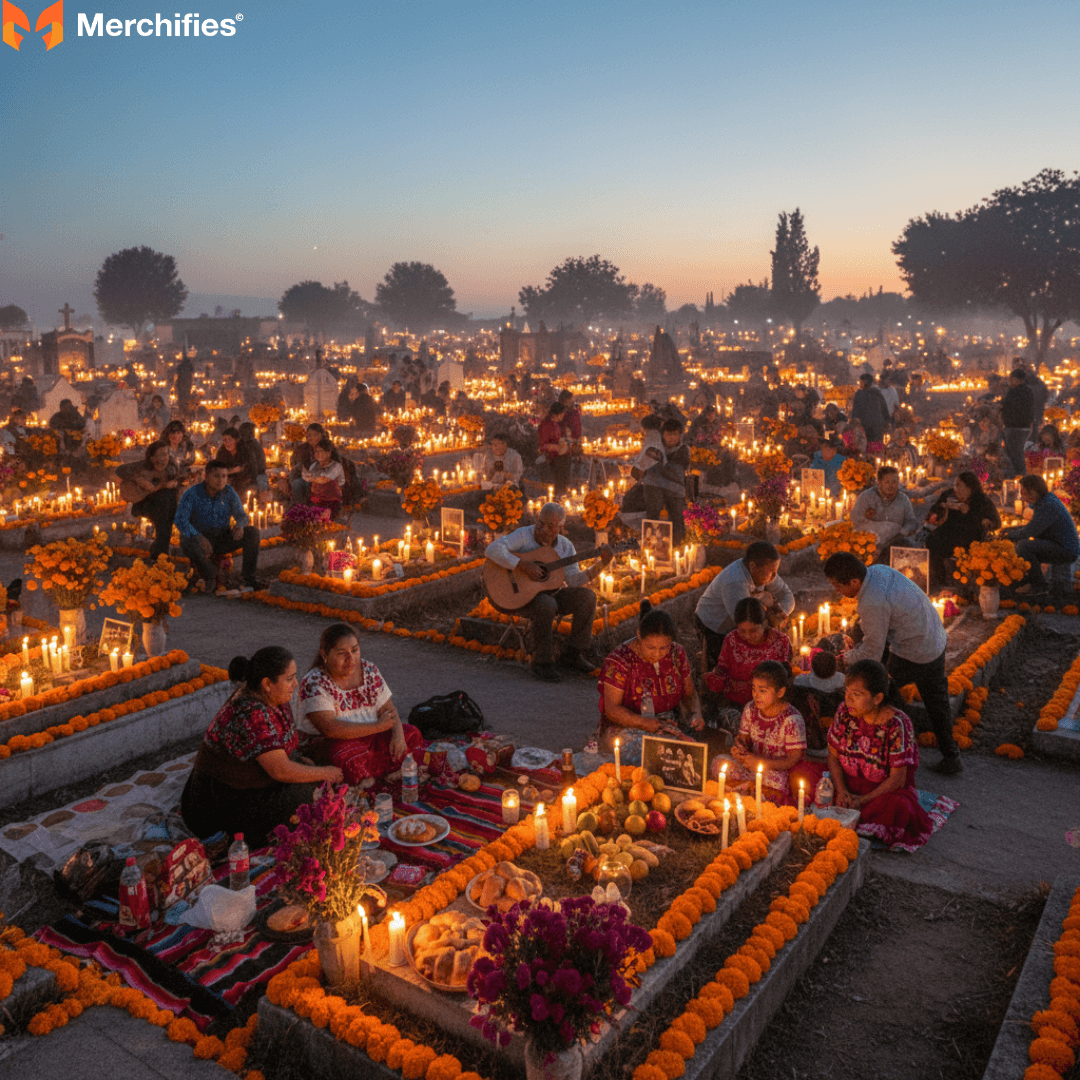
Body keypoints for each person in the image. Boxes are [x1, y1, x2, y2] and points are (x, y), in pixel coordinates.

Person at [179, 648, 342, 845]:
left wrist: (311, 767)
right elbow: (281, 771)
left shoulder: (273, 696)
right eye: (289, 678)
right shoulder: (252, 713)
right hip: (220, 802)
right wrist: (325, 773)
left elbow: (283, 749)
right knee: (309, 801)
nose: (295, 684)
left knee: (317, 775)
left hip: (255, 781)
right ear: (267, 683)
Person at [823, 551, 960, 775]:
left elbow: (873, 652)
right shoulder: (877, 570)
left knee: (882, 691)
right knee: (937, 699)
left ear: (855, 581)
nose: (837, 591)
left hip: (914, 648)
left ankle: (898, 745)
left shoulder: (872, 600)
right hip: (934, 637)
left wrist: (843, 661)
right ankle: (951, 755)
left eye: (839, 586)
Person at [485, 502, 613, 682]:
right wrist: (521, 564)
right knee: (547, 603)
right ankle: (542, 662)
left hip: (548, 594)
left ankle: (573, 654)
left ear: (561, 527)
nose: (543, 528)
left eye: (550, 525)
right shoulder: (524, 535)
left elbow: (574, 580)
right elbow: (492, 549)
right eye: (540, 523)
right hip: (516, 597)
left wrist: (601, 565)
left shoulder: (566, 547)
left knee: (587, 597)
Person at [297, 623, 424, 786]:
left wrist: (398, 736)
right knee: (347, 759)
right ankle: (381, 775)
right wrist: (378, 727)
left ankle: (375, 777)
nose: (351, 659)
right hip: (336, 744)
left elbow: (389, 709)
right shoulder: (314, 682)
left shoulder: (369, 670)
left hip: (372, 737)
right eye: (342, 653)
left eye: (355, 650)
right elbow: (331, 729)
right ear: (324, 655)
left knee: (412, 734)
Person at [826, 659, 934, 852]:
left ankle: (865, 823)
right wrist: (842, 791)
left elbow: (897, 780)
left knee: (899, 807)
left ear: (877, 698)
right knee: (809, 781)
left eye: (857, 694)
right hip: (847, 784)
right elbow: (833, 756)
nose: (848, 699)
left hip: (881, 792)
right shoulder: (845, 711)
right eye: (847, 692)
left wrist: (861, 800)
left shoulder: (897, 724)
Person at [596, 601, 704, 765]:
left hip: (666, 723)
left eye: (664, 648)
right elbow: (612, 709)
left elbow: (689, 693)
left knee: (692, 755)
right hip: (626, 727)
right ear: (639, 635)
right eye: (651, 647)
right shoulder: (619, 660)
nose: (657, 654)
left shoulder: (677, 653)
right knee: (652, 757)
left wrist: (696, 713)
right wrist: (644, 723)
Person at [709, 661, 806, 804]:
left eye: (763, 691)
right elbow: (743, 739)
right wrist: (739, 750)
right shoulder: (750, 709)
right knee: (718, 763)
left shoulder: (792, 720)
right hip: (750, 766)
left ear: (780, 692)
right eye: (754, 689)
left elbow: (793, 759)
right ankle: (750, 792)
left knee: (776, 783)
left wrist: (762, 763)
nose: (756, 695)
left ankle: (746, 792)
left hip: (774, 771)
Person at [695, 541, 794, 668]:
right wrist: (771, 621)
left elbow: (786, 595)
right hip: (714, 624)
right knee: (726, 666)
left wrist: (782, 612)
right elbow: (743, 621)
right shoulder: (735, 581)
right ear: (753, 566)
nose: (774, 576)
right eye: (772, 572)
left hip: (741, 621)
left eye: (776, 571)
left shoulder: (764, 572)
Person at [175, 459, 260, 593]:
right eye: (216, 476)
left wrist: (240, 525)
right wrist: (198, 537)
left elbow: (242, 516)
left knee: (253, 532)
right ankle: (210, 574)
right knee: (185, 539)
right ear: (206, 477)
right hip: (199, 539)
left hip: (222, 537)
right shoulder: (192, 494)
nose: (220, 480)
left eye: (224, 476)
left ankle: (248, 578)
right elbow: (180, 520)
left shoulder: (229, 492)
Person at [704, 597, 793, 720]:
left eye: (753, 631)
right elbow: (722, 670)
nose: (747, 636)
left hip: (770, 707)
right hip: (735, 704)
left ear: (764, 623)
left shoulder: (780, 641)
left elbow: (783, 677)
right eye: (742, 631)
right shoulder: (732, 639)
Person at [1006, 473, 1080, 597]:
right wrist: (1011, 530)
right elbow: (1033, 526)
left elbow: (1030, 531)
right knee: (1024, 545)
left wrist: (1009, 536)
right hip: (1059, 545)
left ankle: (1038, 585)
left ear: (1034, 491)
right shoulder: (1045, 501)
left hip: (1066, 550)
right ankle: (1030, 581)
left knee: (1025, 546)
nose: (1022, 497)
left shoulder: (1048, 505)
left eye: (1024, 492)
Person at [924, 471, 1001, 588]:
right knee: (932, 540)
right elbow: (932, 515)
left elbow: (996, 522)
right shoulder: (949, 495)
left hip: (970, 535)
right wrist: (943, 509)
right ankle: (938, 582)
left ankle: (964, 585)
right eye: (955, 485)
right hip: (947, 532)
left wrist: (973, 515)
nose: (955, 489)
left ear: (970, 488)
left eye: (959, 485)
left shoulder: (981, 500)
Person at [126, 440, 180, 559]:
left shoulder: (169, 471)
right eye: (161, 454)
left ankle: (161, 550)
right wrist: (164, 485)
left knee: (168, 499)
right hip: (146, 505)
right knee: (165, 498)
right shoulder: (145, 472)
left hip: (165, 508)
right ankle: (160, 552)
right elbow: (150, 487)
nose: (165, 458)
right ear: (152, 457)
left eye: (166, 454)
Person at [851, 465, 919, 560]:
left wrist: (901, 532)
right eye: (887, 482)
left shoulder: (903, 499)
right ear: (879, 483)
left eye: (894, 482)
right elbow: (856, 520)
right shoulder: (866, 497)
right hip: (869, 544)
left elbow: (911, 521)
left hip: (895, 543)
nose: (891, 485)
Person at [643, 419, 690, 545]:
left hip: (675, 488)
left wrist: (663, 465)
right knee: (653, 517)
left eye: (675, 434)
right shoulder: (655, 447)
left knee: (677, 518)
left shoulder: (684, 449)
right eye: (668, 434)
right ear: (663, 435)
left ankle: (677, 546)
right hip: (654, 485)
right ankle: (651, 546)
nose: (672, 438)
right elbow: (648, 465)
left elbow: (680, 467)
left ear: (680, 435)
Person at [1001, 367, 1035, 477]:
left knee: (1015, 455)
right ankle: (1019, 476)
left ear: (1018, 380)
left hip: (1014, 428)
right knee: (1018, 452)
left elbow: (1008, 408)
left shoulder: (1015, 392)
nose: (1010, 382)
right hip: (1024, 427)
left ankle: (1019, 477)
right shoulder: (1028, 391)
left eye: (1011, 379)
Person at [302, 438, 346, 516]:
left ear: (328, 453)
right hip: (316, 502)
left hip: (331, 503)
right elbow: (308, 477)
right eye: (316, 451)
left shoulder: (336, 466)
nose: (318, 454)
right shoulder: (314, 466)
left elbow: (325, 479)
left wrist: (311, 476)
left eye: (320, 451)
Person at [538, 401, 572, 495]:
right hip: (551, 459)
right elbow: (543, 445)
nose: (562, 417)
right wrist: (556, 447)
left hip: (559, 457)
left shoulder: (555, 424)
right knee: (558, 483)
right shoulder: (546, 425)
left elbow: (556, 438)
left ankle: (563, 493)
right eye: (562, 414)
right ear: (556, 414)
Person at [290, 423, 327, 504]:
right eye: (309, 435)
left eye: (315, 435)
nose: (312, 437)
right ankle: (299, 508)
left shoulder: (327, 448)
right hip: (303, 477)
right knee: (297, 484)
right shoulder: (301, 449)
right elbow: (293, 463)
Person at [216, 427, 258, 497]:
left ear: (236, 440)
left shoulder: (245, 451)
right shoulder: (221, 452)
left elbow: (251, 469)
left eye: (229, 440)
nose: (227, 443)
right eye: (224, 440)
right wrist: (232, 471)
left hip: (244, 485)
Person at [850, 373, 891, 445]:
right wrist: (887, 423)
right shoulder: (877, 393)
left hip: (865, 426)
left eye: (860, 382)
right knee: (877, 447)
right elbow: (884, 410)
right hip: (878, 426)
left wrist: (852, 423)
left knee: (866, 448)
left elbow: (855, 412)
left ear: (863, 382)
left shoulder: (859, 394)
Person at [239, 422, 268, 494]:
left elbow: (254, 463)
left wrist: (253, 481)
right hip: (259, 476)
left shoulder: (250, 445)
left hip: (255, 478)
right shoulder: (253, 443)